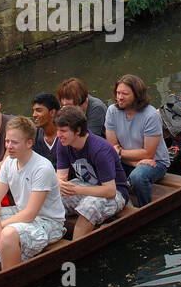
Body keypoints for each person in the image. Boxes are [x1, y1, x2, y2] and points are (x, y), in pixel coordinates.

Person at [0, 117, 65, 270]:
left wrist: (0, 227)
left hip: (48, 222)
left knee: (8, 234)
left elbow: (30, 214)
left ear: (29, 143)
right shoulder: (9, 162)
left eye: (14, 142)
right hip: (20, 212)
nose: (9, 146)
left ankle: (8, 280)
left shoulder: (42, 168)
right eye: (7, 141)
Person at [54, 105, 129, 239]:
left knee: (89, 207)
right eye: (58, 130)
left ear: (77, 130)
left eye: (63, 131)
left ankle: (75, 252)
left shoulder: (99, 150)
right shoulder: (63, 144)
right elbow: (61, 176)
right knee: (51, 197)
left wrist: (76, 190)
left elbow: (110, 191)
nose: (58, 135)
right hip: (84, 185)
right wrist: (59, 183)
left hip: (115, 193)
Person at [104, 74, 171, 206]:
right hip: (126, 160)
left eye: (125, 94)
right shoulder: (112, 111)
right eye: (118, 93)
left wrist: (119, 153)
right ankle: (117, 206)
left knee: (138, 177)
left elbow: (148, 154)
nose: (120, 97)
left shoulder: (150, 115)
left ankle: (144, 208)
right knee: (101, 167)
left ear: (137, 95)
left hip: (155, 162)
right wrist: (130, 161)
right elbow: (112, 145)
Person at [31, 92, 62, 162]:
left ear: (52, 112)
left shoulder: (66, 134)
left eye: (39, 110)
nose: (34, 115)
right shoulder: (34, 136)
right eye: (33, 111)